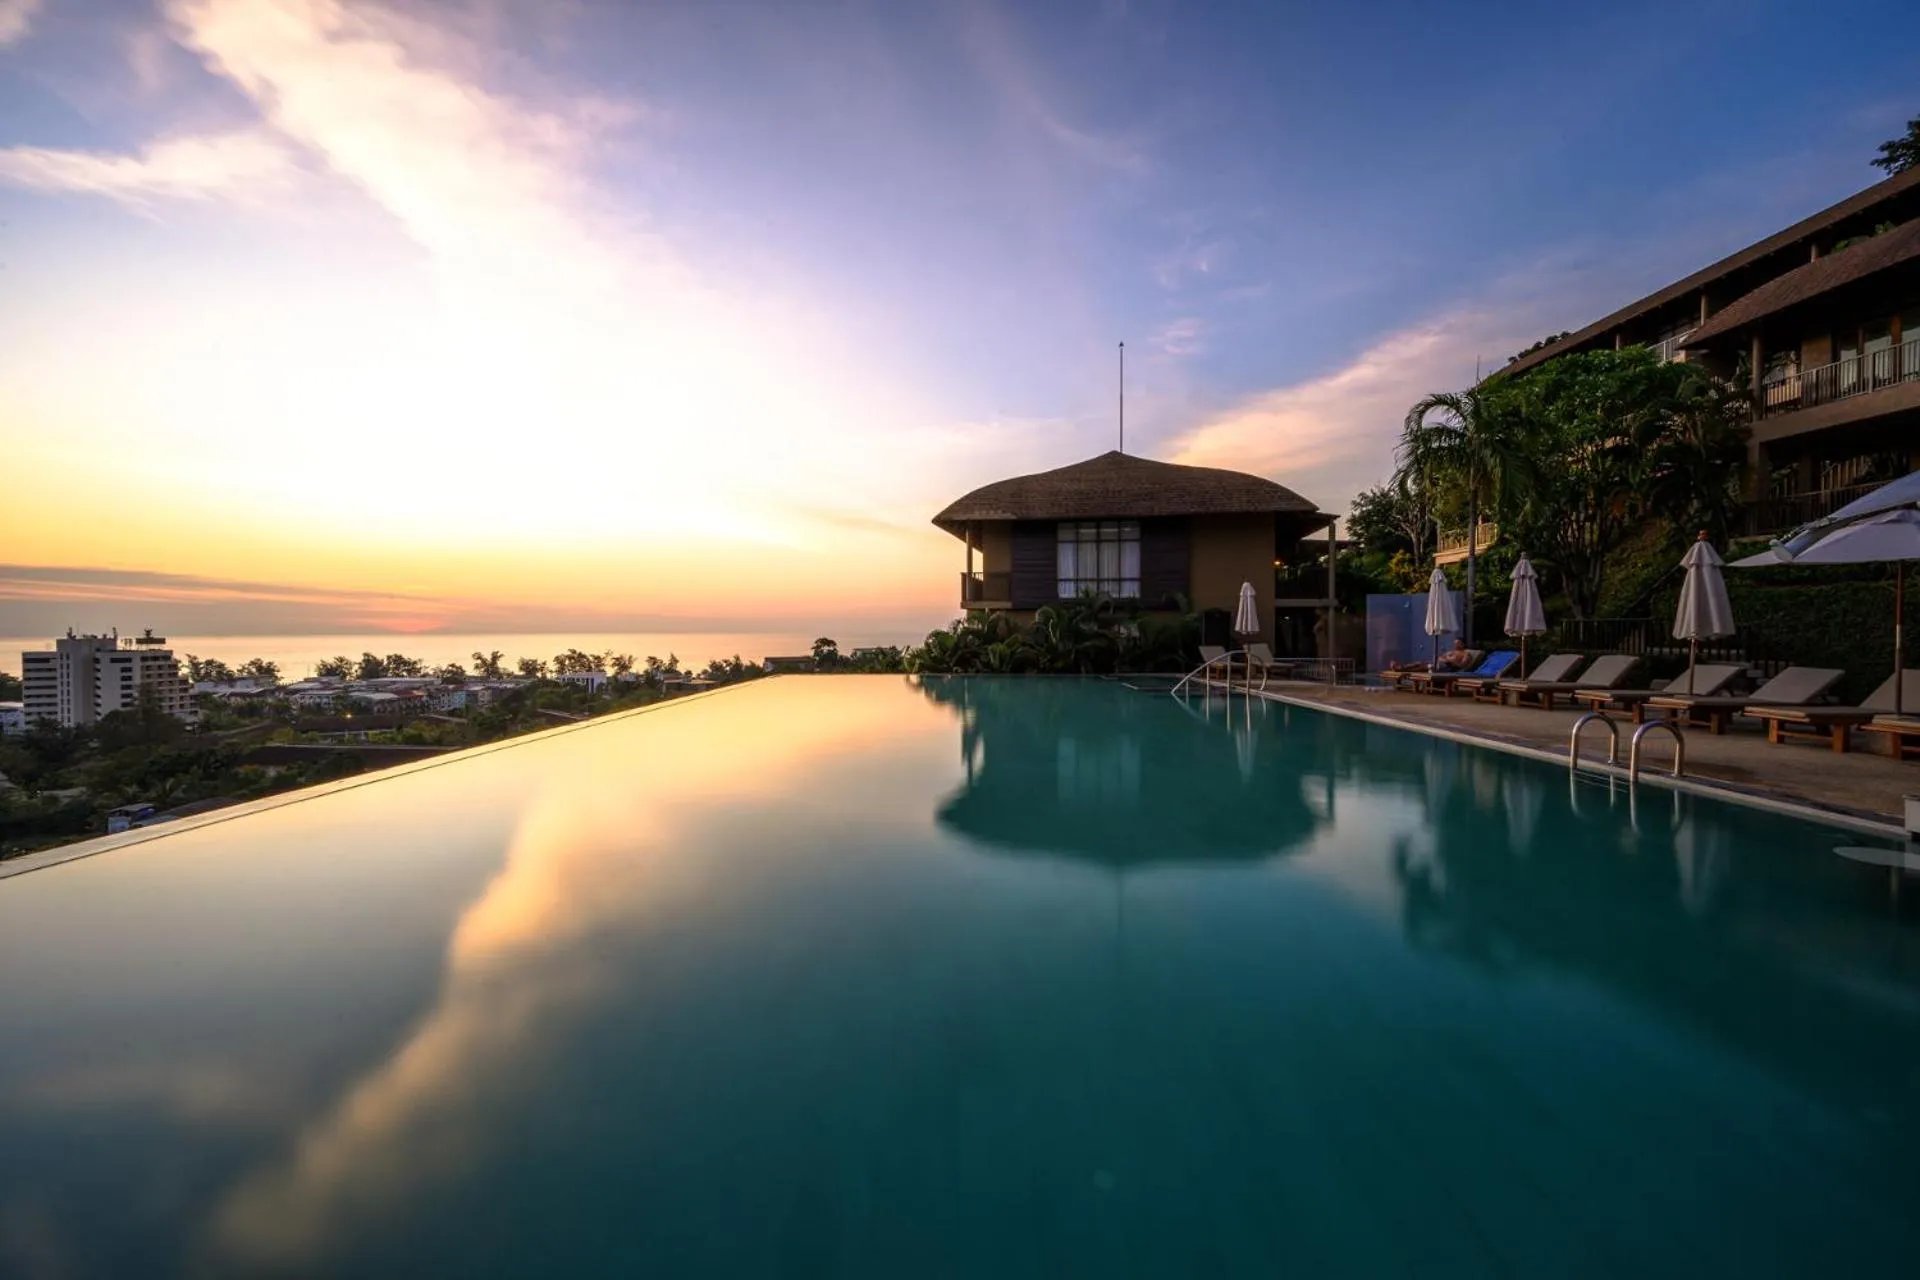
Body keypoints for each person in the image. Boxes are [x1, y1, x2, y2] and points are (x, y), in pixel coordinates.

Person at [1389, 638, 1472, 673]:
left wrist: (1450, 660)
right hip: (1440, 665)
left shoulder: (1466, 654)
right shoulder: (1452, 651)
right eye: (1455, 643)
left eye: (1457, 643)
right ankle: (1400, 667)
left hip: (1449, 669)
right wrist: (1444, 659)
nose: (1455, 645)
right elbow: (1440, 657)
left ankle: (1400, 669)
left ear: (1462, 644)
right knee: (1419, 663)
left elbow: (1462, 665)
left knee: (1422, 667)